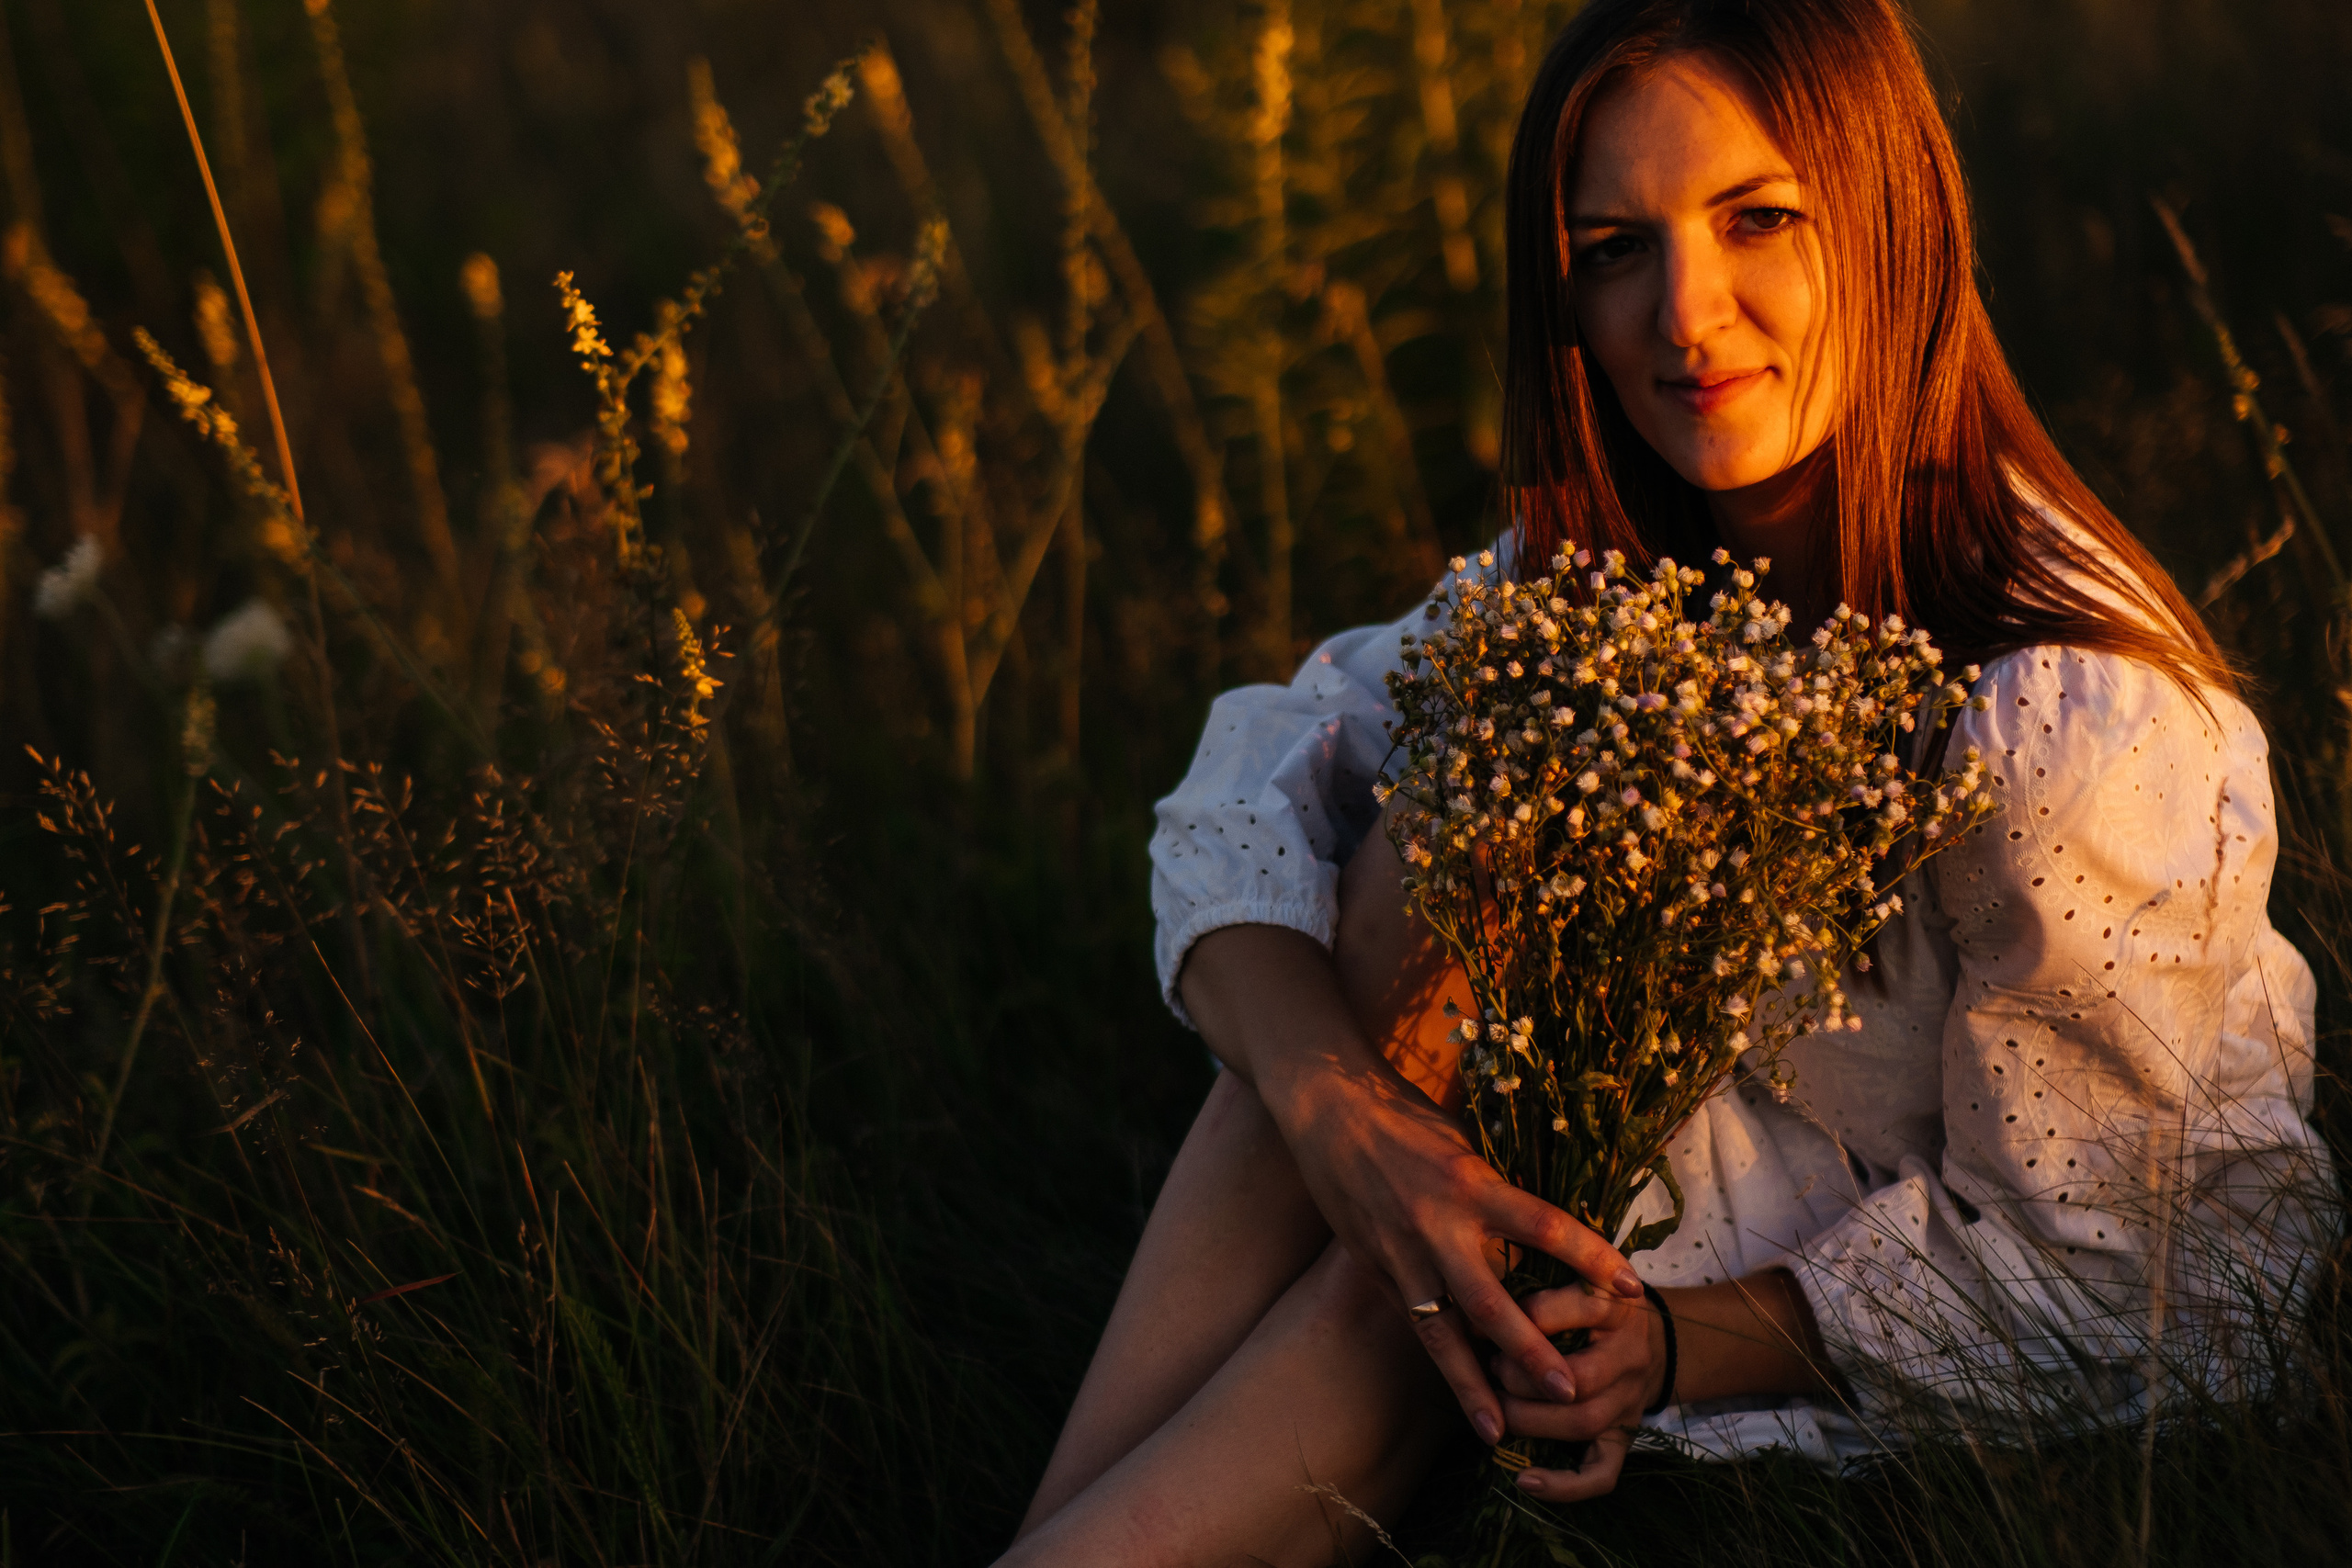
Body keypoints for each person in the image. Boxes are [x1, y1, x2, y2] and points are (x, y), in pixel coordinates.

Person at [1000, 1, 2329, 1562]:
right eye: (1616, 247)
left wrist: (1687, 1340)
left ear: (1894, 220)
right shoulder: (1615, 594)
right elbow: (1251, 788)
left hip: (1849, 1319)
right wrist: (1344, 1122)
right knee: (1433, 873)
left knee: (1451, 1254)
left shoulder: (2061, 712)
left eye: (1759, 218)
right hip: (1582, 1227)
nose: (1685, 316)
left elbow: (2124, 1261)